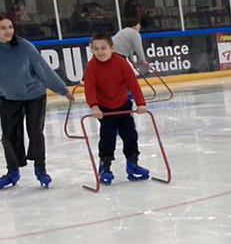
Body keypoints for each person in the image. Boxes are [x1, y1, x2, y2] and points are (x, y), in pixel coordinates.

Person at [0, 16, 70, 189]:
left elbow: (44, 70)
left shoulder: (24, 46)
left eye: (10, 27)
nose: (8, 31)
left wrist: (63, 90)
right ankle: (12, 172)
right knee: (8, 136)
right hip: (8, 98)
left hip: (34, 96)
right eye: (3, 28)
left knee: (35, 132)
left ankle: (40, 168)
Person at [82, 33, 150, 185]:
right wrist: (94, 106)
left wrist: (140, 103)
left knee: (130, 135)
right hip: (105, 109)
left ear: (111, 48)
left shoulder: (121, 62)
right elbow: (90, 87)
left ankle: (132, 164)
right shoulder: (91, 66)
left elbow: (133, 83)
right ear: (92, 50)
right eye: (96, 49)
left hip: (123, 105)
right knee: (107, 139)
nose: (100, 52)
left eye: (103, 48)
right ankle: (105, 166)